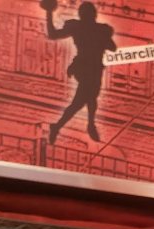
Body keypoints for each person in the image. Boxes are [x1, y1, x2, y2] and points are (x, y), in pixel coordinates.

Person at [41, 0, 115, 144]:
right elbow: (112, 47)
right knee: (82, 100)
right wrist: (105, 37)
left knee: (88, 98)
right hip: (88, 68)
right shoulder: (96, 29)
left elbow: (53, 34)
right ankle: (86, 125)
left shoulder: (81, 28)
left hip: (90, 68)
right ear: (94, 15)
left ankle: (60, 126)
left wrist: (49, 13)